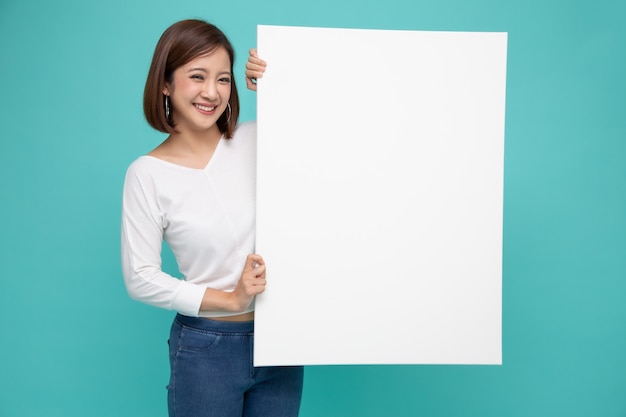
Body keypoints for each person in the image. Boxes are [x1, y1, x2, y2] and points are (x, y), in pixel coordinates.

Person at [121, 19, 303, 417]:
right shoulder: (147, 174)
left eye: (223, 79)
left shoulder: (261, 139)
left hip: (283, 339)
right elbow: (140, 278)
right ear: (165, 84)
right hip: (206, 346)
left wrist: (279, 88)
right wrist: (231, 298)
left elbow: (328, 139)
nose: (211, 92)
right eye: (197, 76)